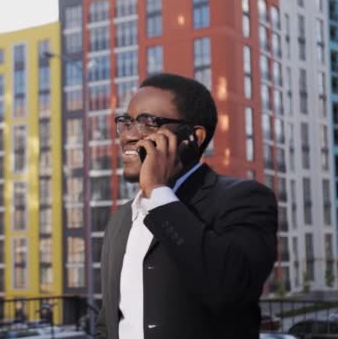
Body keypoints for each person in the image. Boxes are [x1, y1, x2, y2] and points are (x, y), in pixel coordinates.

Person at [94, 73, 277, 339]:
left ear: (192, 136)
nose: (128, 137)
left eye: (147, 123)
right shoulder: (121, 219)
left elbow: (229, 289)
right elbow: (109, 322)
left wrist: (158, 192)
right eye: (126, 122)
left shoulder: (246, 199)